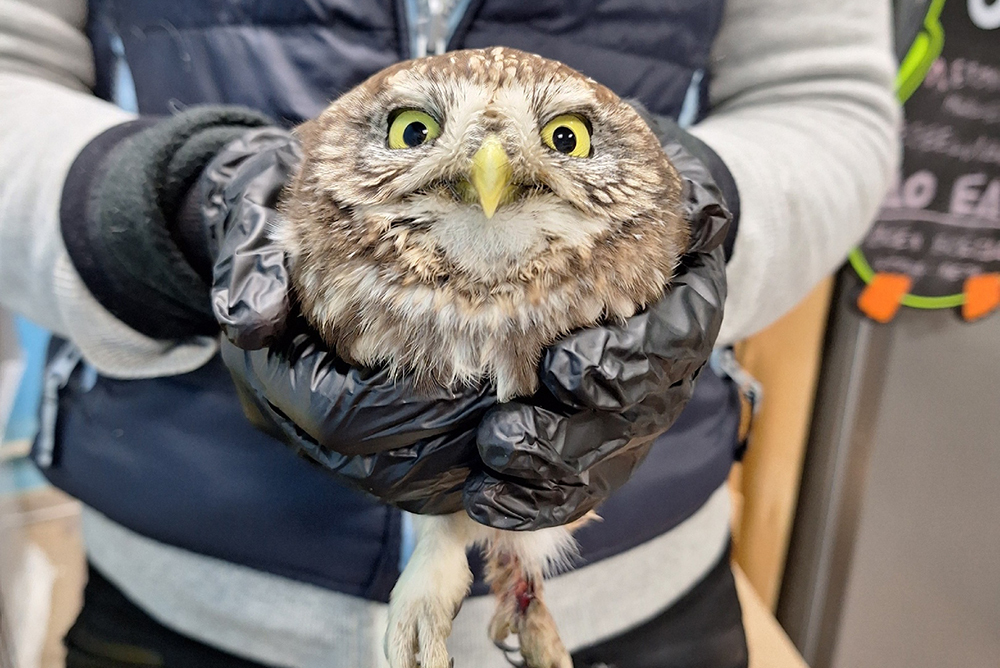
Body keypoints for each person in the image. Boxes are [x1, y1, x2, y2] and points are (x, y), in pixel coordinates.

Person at [0, 0, 900, 666]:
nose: (491, 168)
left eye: (565, 139)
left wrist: (696, 220)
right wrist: (160, 210)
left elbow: (825, 92)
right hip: (186, 588)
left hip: (633, 600)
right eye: (418, 131)